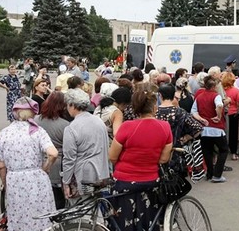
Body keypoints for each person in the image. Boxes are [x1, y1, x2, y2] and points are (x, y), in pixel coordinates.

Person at [109, 83, 173, 231]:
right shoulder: (165, 127)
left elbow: (112, 157)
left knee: (123, 223)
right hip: (150, 180)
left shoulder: (126, 127)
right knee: (148, 221)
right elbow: (164, 159)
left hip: (124, 181)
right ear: (154, 106)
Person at [0, 97, 58, 230]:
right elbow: (53, 153)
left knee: (18, 218)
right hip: (37, 179)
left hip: (15, 180)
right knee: (41, 217)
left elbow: (1, 165)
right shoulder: (38, 131)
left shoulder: (5, 133)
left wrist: (5, 183)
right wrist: (45, 168)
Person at [62, 88, 111, 204]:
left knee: (80, 212)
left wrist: (66, 181)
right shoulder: (99, 122)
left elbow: (69, 158)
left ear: (72, 105)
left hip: (83, 175)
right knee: (96, 209)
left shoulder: (71, 128)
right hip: (101, 172)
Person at [34, 92, 71, 209]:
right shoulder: (65, 125)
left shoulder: (35, 120)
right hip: (56, 166)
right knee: (57, 200)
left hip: (37, 162)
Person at [192, 76, 229, 183]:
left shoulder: (199, 97)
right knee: (223, 150)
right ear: (213, 86)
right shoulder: (216, 96)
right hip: (216, 128)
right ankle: (217, 175)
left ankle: (209, 173)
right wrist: (218, 116)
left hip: (204, 129)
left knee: (207, 151)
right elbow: (220, 105)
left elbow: (193, 111)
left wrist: (201, 119)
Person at [222, 72, 239, 160]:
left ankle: (223, 151)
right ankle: (234, 152)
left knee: (223, 133)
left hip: (223, 114)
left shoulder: (221, 90)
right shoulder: (236, 91)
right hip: (233, 114)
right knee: (234, 134)